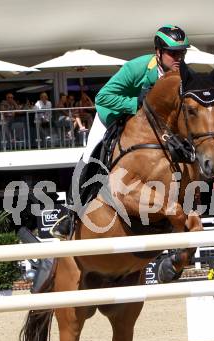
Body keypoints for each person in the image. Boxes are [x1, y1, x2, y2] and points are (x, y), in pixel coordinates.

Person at [52, 24, 191, 237]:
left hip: (148, 125)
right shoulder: (137, 68)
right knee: (91, 155)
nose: (178, 58)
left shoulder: (182, 74)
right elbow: (102, 98)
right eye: (173, 53)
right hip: (113, 116)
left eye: (182, 52)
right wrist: (136, 102)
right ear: (159, 52)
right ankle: (70, 213)